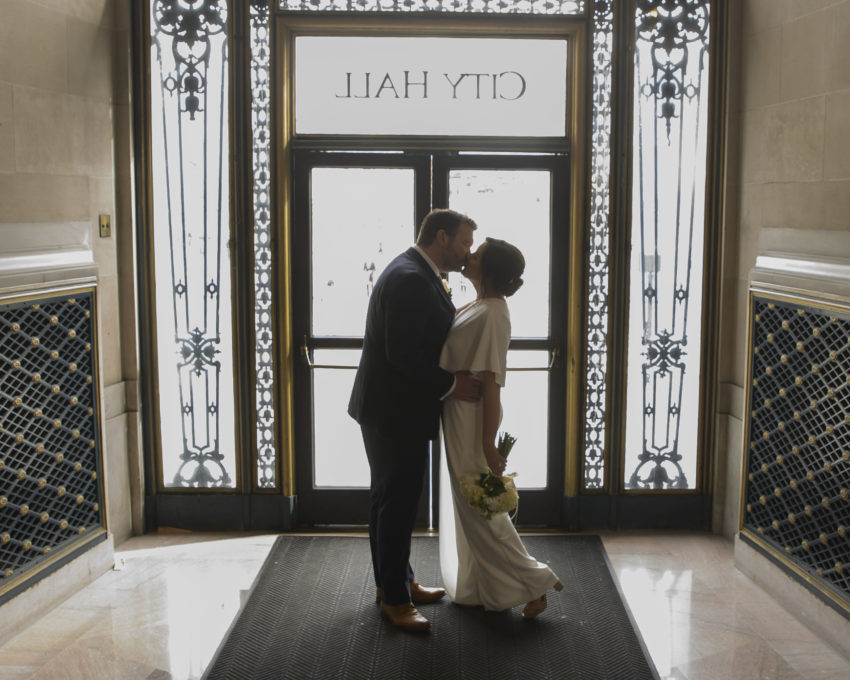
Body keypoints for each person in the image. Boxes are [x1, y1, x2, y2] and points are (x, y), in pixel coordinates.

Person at [348, 208, 483, 632]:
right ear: (441, 238)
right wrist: (452, 385)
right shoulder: (409, 278)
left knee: (391, 500)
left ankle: (397, 582)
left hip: (393, 409)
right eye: (463, 242)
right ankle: (394, 599)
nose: (468, 252)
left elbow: (428, 328)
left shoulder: (416, 272)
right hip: (393, 412)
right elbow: (402, 354)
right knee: (396, 503)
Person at [438, 237, 562, 618]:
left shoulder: (493, 314)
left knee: (480, 506)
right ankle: (481, 586)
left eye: (477, 253)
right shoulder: (480, 305)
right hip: (458, 413)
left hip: (471, 420)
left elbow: (492, 383)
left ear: (488, 269)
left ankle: (535, 581)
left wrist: (489, 443)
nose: (468, 255)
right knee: (472, 507)